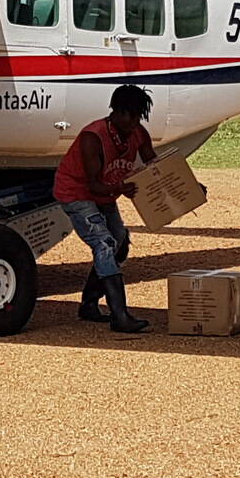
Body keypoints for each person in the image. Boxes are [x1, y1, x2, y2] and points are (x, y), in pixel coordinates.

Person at [55, 84, 158, 335]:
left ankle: (89, 304)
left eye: (138, 116)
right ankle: (119, 315)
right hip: (77, 193)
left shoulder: (137, 132)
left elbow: (155, 164)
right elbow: (93, 184)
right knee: (104, 243)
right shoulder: (93, 136)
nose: (134, 121)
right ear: (115, 111)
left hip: (106, 192)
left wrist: (185, 181)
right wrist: (121, 187)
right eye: (129, 115)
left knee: (119, 242)